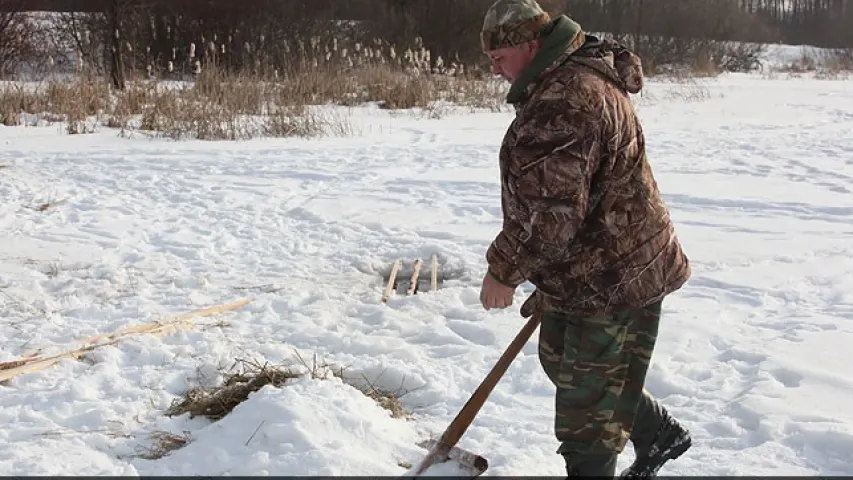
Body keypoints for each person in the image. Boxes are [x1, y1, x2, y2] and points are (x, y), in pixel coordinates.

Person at [477, 0, 693, 477]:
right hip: (592, 262)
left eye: (499, 58)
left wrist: (503, 270)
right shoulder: (560, 80)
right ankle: (657, 433)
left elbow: (550, 214)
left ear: (530, 45)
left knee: (587, 418)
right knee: (560, 359)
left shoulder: (566, 99)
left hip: (616, 273)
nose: (495, 70)